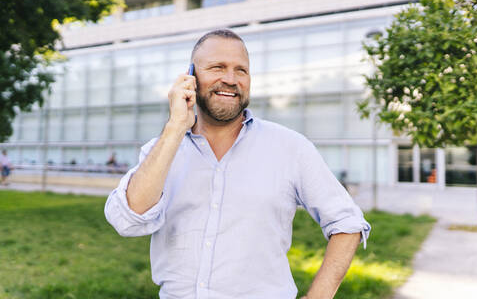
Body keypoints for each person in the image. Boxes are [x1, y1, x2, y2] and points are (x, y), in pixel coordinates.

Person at [105, 29, 371, 299]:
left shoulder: (291, 147)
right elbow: (128, 220)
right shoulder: (162, 150)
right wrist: (175, 127)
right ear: (190, 77)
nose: (230, 80)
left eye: (241, 70)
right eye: (217, 67)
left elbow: (347, 223)